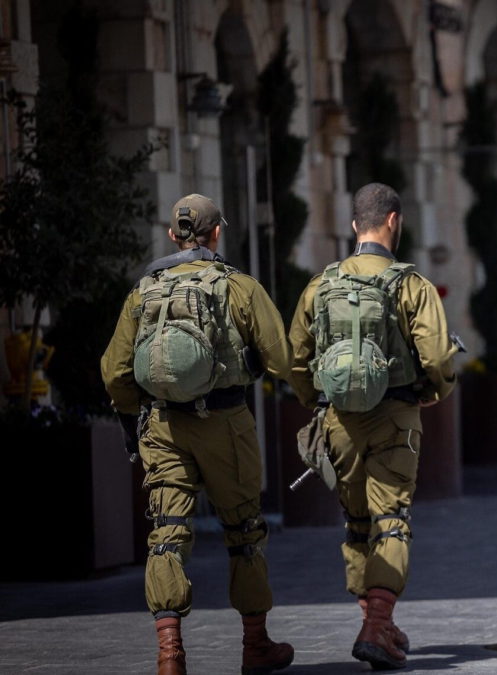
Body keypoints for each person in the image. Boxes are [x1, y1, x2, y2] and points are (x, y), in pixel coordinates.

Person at [100, 194, 294, 675]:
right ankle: (255, 645)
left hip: (162, 427)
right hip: (225, 425)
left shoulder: (143, 291)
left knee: (167, 534)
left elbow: (114, 371)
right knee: (245, 531)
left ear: (172, 235)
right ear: (216, 233)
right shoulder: (239, 287)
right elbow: (283, 358)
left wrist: (133, 422)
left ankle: (170, 656)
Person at [288, 183, 459, 670]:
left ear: (352, 226)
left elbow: (296, 358)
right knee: (391, 520)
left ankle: (377, 623)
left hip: (338, 420)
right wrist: (431, 393)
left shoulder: (321, 285)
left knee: (358, 523)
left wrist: (315, 401)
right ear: (393, 221)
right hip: (396, 418)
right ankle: (375, 624)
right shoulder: (411, 285)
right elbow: (437, 357)